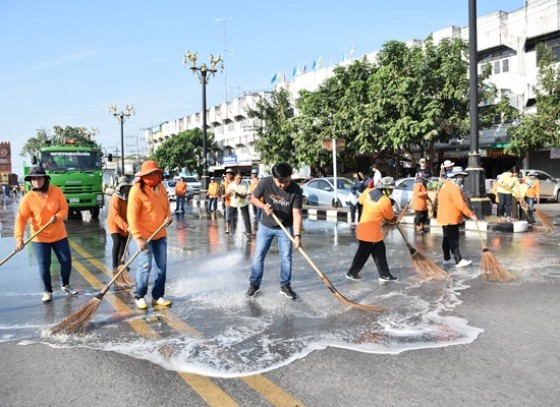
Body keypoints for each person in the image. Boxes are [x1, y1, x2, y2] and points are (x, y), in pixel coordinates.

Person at [14, 166, 77, 303]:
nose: (36, 181)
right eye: (33, 179)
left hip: (59, 234)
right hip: (39, 237)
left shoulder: (56, 191)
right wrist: (19, 239)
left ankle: (65, 284)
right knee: (44, 265)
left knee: (66, 261)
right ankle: (48, 291)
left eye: (39, 178)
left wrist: (58, 217)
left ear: (45, 179)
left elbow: (64, 208)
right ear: (30, 181)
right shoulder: (28, 198)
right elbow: (21, 219)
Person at [247, 162, 303, 299]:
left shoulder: (296, 190)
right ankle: (254, 284)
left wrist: (297, 236)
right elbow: (253, 198)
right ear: (273, 178)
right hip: (266, 226)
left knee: (286, 258)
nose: (283, 185)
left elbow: (297, 215)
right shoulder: (266, 182)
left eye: (286, 181)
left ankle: (285, 285)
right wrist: (263, 206)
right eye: (280, 182)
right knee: (259, 255)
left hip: (285, 227)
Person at [127, 160, 173, 310]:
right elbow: (131, 215)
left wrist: (168, 217)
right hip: (145, 235)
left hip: (160, 233)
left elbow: (166, 206)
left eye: (156, 173)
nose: (155, 176)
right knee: (145, 266)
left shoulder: (161, 188)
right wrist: (138, 237)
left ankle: (157, 296)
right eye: (151, 174)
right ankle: (139, 295)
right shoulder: (137, 190)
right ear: (145, 175)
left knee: (162, 267)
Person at [346, 176, 398, 283]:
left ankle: (385, 275)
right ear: (385, 189)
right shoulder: (385, 201)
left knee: (379, 251)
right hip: (371, 233)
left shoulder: (369, 192)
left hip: (365, 228)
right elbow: (389, 217)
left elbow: (360, 201)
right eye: (391, 189)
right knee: (362, 254)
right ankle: (352, 273)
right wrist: (394, 218)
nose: (392, 191)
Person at [437, 166, 477, 268]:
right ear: (455, 176)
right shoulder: (453, 187)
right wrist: (471, 214)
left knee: (446, 238)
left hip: (444, 217)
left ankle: (447, 259)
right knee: (454, 239)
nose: (462, 178)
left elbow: (459, 196)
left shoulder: (446, 184)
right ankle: (458, 260)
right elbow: (460, 204)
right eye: (460, 176)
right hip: (451, 218)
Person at [107, 176, 132, 277]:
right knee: (117, 242)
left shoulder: (129, 197)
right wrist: (126, 227)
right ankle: (114, 266)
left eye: (127, 186)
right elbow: (116, 216)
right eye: (124, 187)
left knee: (124, 245)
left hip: (126, 224)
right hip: (114, 223)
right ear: (120, 187)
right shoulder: (115, 198)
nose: (126, 188)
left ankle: (121, 265)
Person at [227, 173, 254, 237]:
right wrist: (229, 192)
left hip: (243, 203)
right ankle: (233, 231)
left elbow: (244, 196)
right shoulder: (231, 184)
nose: (240, 179)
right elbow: (227, 193)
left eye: (241, 178)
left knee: (246, 218)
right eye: (238, 178)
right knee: (233, 218)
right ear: (235, 178)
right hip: (233, 204)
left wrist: (236, 193)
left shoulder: (244, 184)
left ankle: (248, 231)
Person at [222, 169, 235, 233]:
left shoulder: (234, 182)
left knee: (233, 216)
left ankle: (233, 228)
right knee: (227, 216)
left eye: (230, 174)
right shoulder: (224, 182)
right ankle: (227, 229)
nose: (229, 176)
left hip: (234, 202)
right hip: (227, 201)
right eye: (227, 174)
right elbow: (222, 191)